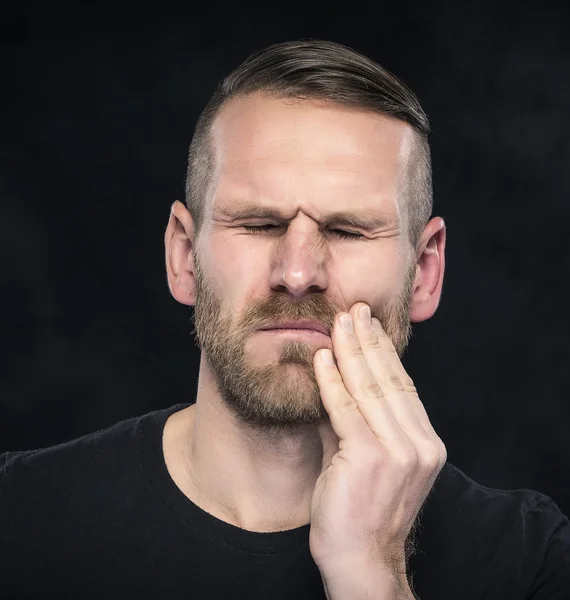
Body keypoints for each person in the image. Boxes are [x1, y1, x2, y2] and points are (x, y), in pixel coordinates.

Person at [1, 39, 568, 600]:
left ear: (423, 272)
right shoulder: (16, 516)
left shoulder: (530, 559)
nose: (298, 274)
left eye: (347, 231)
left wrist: (372, 573)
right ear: (183, 257)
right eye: (258, 224)